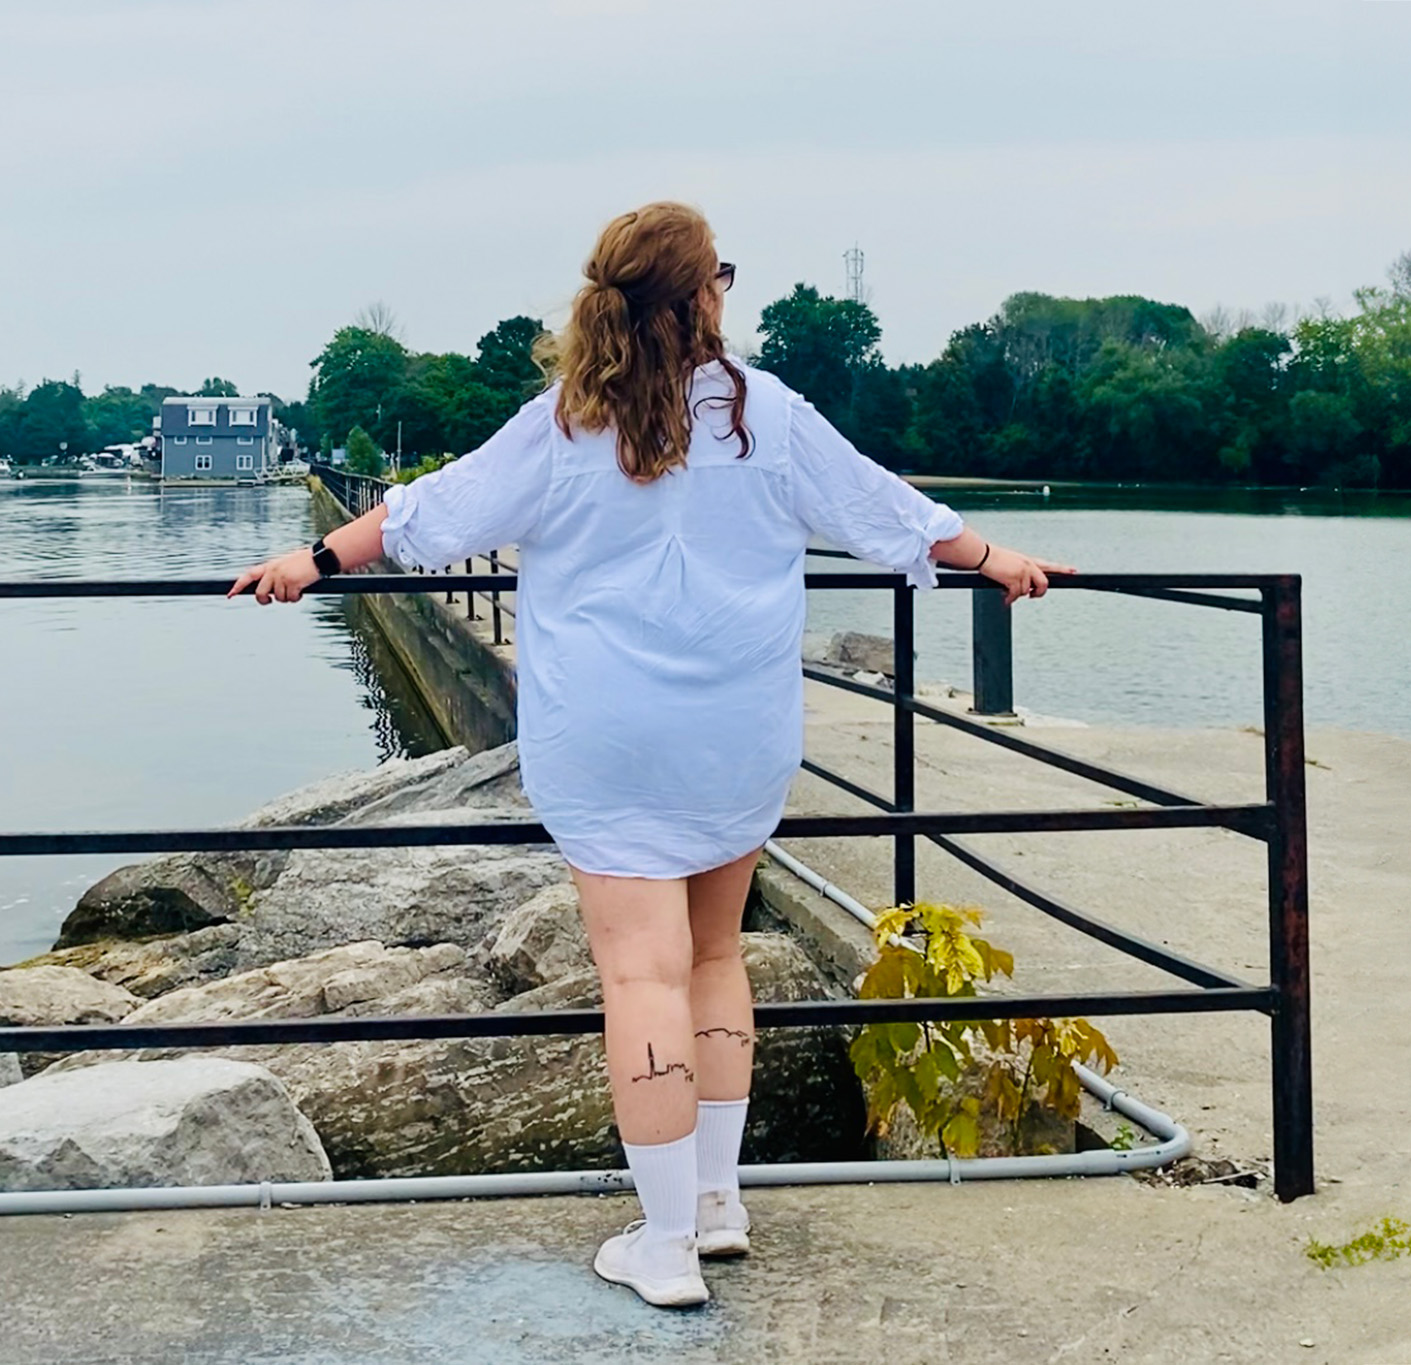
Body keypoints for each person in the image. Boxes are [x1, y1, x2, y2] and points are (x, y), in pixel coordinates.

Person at [230, 201, 1073, 1310]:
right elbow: (889, 511)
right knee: (714, 959)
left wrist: (313, 561)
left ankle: (665, 1242)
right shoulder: (766, 415)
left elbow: (428, 511)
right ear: (702, 294)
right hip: (737, 730)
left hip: (609, 733)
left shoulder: (567, 421)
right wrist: (998, 558)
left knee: (640, 976)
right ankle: (714, 1207)